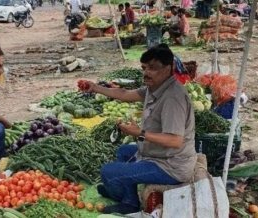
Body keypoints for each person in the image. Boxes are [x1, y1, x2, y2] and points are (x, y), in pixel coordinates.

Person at [83, 44, 197, 214]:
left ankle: (121, 195)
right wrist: (95, 88)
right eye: (144, 68)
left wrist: (140, 133)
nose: (146, 73)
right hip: (157, 153)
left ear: (168, 69)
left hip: (170, 166)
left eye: (152, 68)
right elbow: (125, 95)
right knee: (123, 151)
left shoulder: (173, 98)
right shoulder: (155, 87)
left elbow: (175, 141)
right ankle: (127, 197)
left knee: (107, 171)